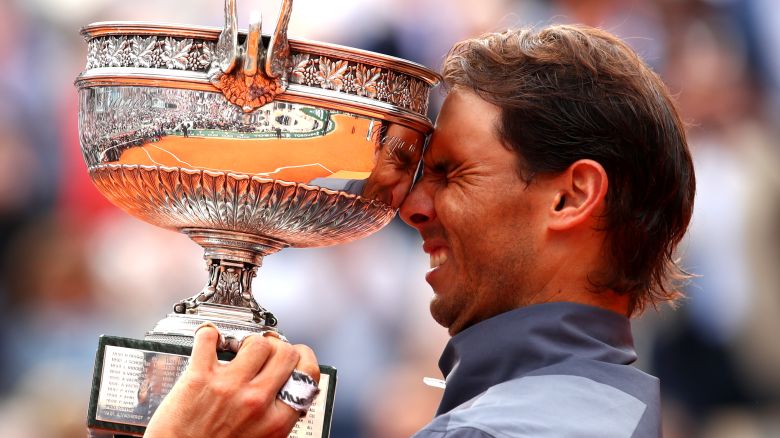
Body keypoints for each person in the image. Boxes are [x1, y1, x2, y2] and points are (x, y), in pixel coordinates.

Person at [145, 23, 695, 437]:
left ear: (570, 197)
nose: (410, 206)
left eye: (451, 172)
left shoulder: (494, 433)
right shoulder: (616, 408)